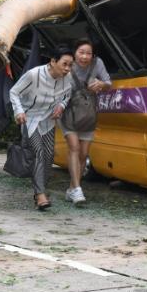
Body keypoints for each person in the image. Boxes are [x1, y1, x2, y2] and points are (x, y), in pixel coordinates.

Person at [9, 45, 74, 210]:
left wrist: (61, 106)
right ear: (53, 61)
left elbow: (67, 94)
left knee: (49, 155)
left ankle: (40, 190)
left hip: (48, 119)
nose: (67, 69)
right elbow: (14, 92)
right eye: (64, 64)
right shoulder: (34, 75)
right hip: (29, 118)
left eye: (70, 65)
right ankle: (40, 195)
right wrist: (19, 111)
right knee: (38, 152)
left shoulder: (68, 78)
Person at [60, 38, 112, 205]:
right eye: (81, 52)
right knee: (74, 148)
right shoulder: (68, 64)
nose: (84, 56)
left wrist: (101, 84)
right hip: (67, 112)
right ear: (75, 54)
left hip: (88, 113)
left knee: (83, 154)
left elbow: (109, 83)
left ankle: (72, 189)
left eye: (88, 53)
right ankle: (77, 190)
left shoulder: (97, 64)